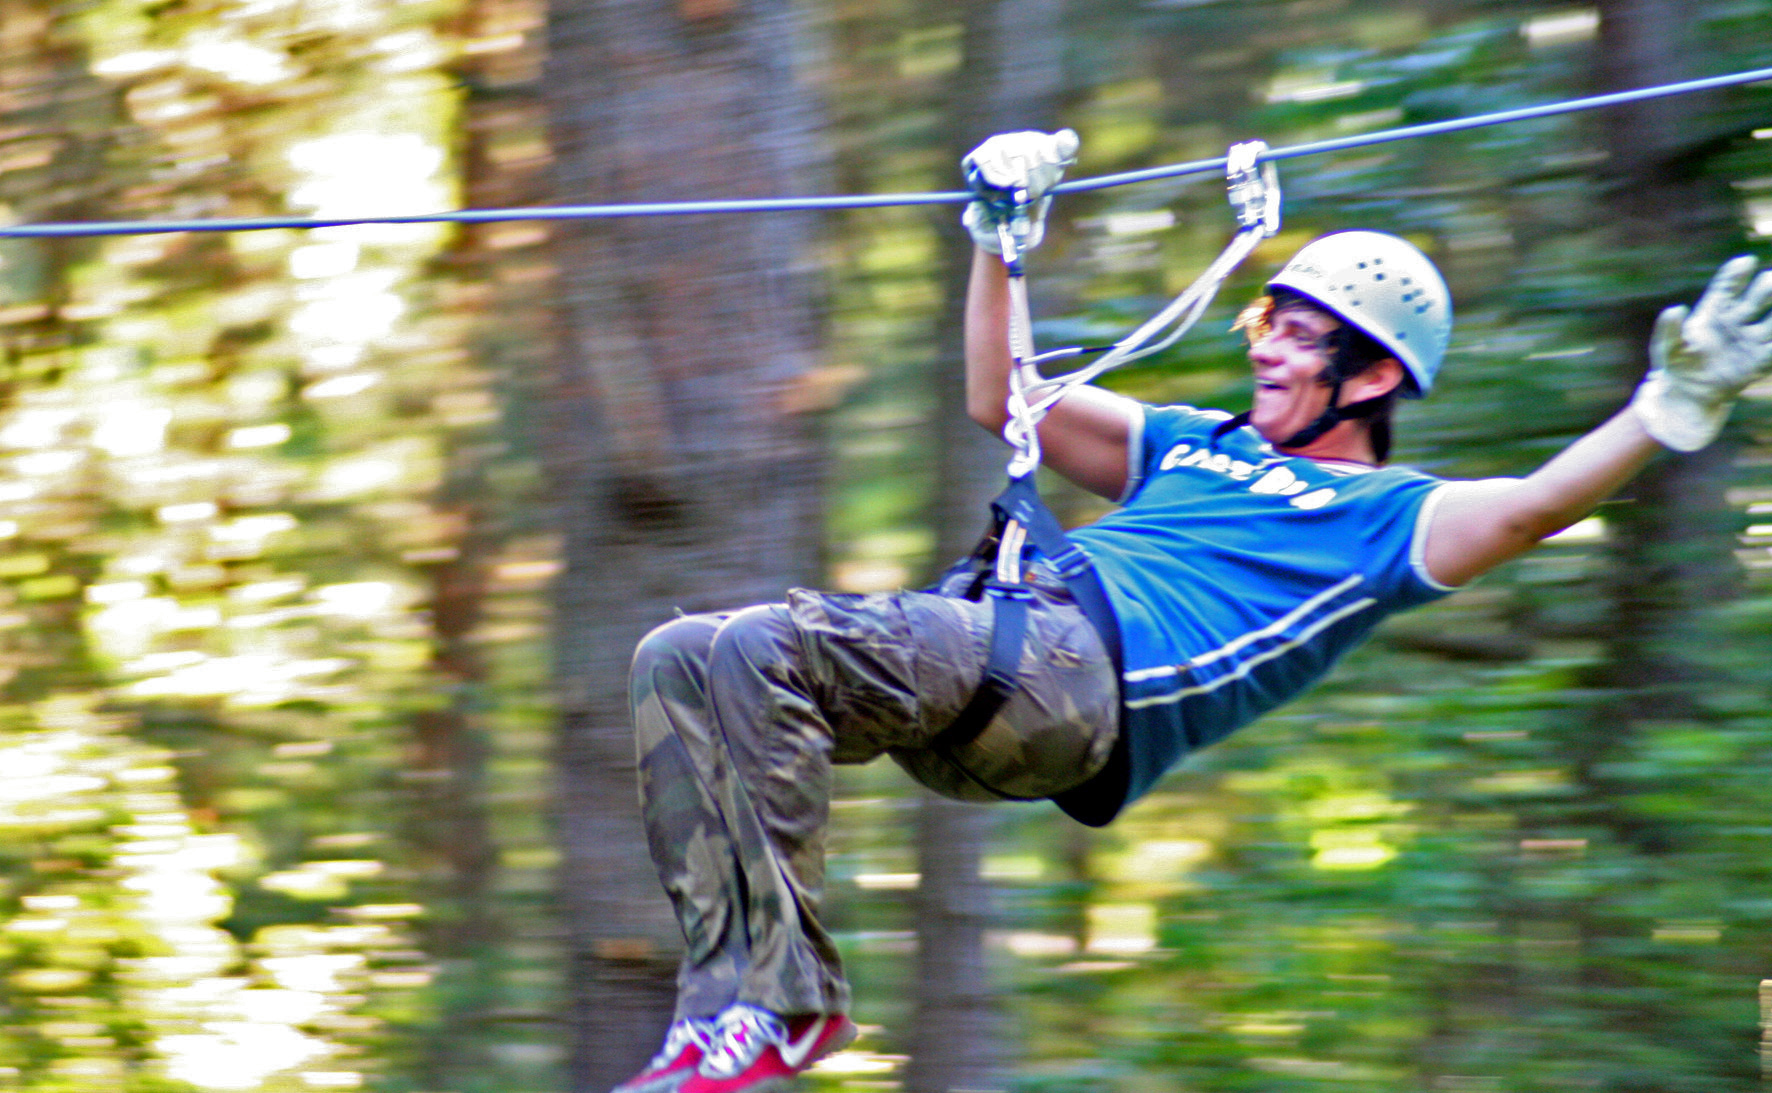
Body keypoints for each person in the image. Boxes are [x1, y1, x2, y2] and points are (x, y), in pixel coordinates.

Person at [612, 129, 1772, 1093]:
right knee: (682, 655)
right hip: (990, 671)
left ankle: (781, 1007)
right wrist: (996, 242)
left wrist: (1663, 412)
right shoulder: (1190, 443)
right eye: (1261, 322)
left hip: (1075, 688)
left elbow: (1523, 510)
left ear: (1368, 378)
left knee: (763, 645)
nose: (1264, 349)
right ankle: (736, 1016)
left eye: (1296, 333)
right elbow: (997, 397)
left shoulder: (1381, 517)